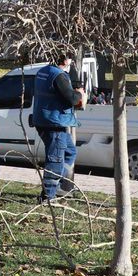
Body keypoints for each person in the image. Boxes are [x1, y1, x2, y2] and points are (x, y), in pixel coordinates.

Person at [32, 52, 85, 202]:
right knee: (55, 159)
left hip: (43, 119)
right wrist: (80, 94)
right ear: (65, 59)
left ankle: (61, 185)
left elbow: (56, 90)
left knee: (69, 152)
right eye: (70, 58)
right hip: (54, 123)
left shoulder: (43, 71)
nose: (70, 61)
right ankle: (48, 196)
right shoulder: (59, 76)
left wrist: (72, 85)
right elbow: (72, 99)